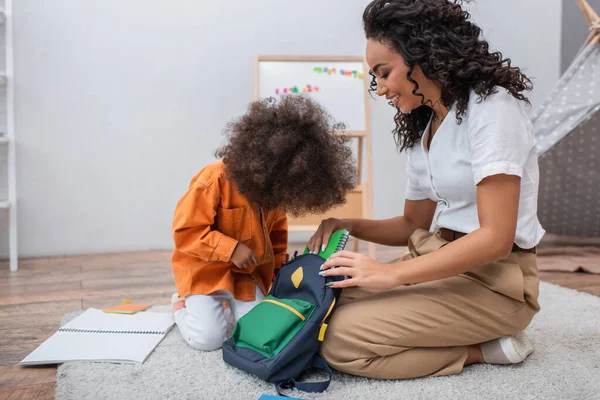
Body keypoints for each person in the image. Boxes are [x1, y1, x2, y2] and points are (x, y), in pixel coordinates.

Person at [309, 0, 545, 379]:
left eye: (384, 73)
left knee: (336, 339)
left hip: (498, 282)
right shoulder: (429, 128)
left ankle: (482, 351)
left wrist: (390, 276)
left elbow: (495, 239)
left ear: (421, 56)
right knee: (325, 304)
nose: (381, 88)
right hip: (439, 261)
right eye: (375, 78)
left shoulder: (493, 109)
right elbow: (409, 224)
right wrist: (347, 223)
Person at [172, 95, 356, 351]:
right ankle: (180, 306)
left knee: (256, 331)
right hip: (205, 275)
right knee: (208, 340)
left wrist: (280, 270)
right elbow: (186, 232)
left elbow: (277, 239)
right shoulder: (213, 180)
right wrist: (231, 249)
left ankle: (224, 309)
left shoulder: (273, 193)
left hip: (248, 278)